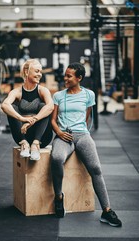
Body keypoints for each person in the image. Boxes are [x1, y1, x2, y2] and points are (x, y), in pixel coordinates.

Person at [51, 62, 122, 227]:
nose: (65, 78)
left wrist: (81, 133)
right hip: (63, 136)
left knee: (96, 169)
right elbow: (53, 120)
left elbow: (86, 117)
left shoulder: (89, 95)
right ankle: (58, 197)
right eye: (66, 75)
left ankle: (106, 210)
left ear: (79, 78)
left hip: (82, 135)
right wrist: (60, 133)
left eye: (69, 76)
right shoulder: (58, 96)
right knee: (56, 158)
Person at [1, 58, 54, 160]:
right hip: (23, 135)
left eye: (41, 72)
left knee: (44, 106)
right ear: (26, 71)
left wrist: (33, 120)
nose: (40, 74)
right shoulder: (17, 92)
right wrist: (22, 119)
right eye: (37, 71)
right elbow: (4, 105)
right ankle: (25, 144)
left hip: (42, 137)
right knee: (12, 108)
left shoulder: (43, 91)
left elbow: (50, 107)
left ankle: (35, 144)